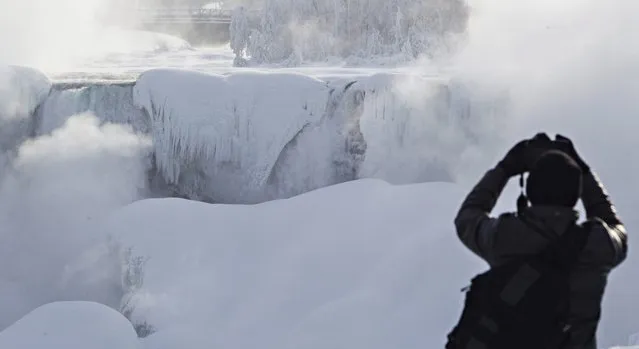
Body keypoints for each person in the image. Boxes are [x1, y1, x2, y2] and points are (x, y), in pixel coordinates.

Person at [452, 133, 627, 349]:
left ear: (530, 192)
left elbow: (467, 218)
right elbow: (615, 227)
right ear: (575, 194)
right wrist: (582, 170)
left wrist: (505, 168)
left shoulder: (505, 236)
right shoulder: (596, 244)